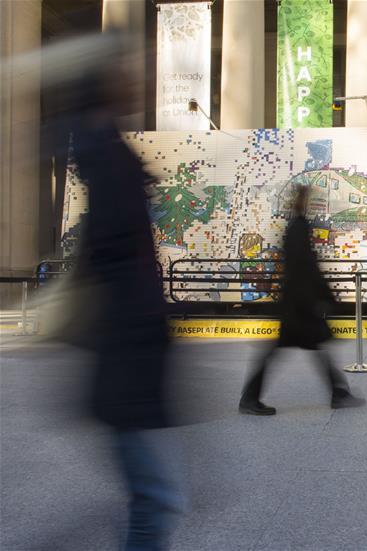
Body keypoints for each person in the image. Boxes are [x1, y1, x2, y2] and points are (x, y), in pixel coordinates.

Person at [64, 34, 184, 549]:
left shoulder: (105, 149)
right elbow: (115, 257)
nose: (136, 73)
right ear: (104, 78)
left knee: (150, 494)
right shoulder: (107, 155)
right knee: (153, 497)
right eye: (125, 65)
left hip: (126, 343)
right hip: (126, 345)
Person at [239, 186, 365, 415]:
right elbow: (306, 268)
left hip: (296, 304)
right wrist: (323, 297)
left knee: (309, 347)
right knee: (309, 347)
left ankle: (338, 393)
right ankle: (337, 394)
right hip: (300, 306)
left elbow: (302, 268)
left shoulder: (295, 227)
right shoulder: (299, 228)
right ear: (303, 201)